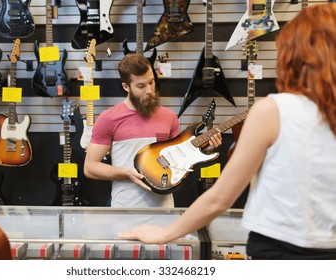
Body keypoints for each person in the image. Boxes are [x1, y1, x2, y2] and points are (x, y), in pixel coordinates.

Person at [119, 4, 336, 259]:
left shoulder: (272, 111)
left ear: (293, 54)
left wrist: (165, 234)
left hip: (277, 250)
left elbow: (220, 198)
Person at [84, 53, 222, 208]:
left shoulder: (169, 117)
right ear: (126, 87)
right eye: (141, 86)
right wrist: (126, 173)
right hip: (124, 209)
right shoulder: (108, 118)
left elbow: (179, 159)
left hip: (164, 210)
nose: (149, 90)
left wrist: (205, 148)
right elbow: (90, 167)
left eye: (151, 82)